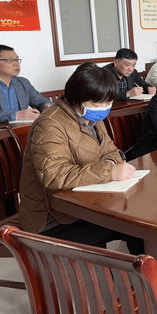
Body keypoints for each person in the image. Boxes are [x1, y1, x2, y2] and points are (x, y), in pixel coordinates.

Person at [19, 62, 143, 254]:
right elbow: (55, 176)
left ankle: (144, 271)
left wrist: (111, 163)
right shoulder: (50, 125)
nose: (104, 109)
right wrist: (109, 171)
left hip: (85, 204)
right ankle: (141, 272)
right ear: (76, 98)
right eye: (97, 104)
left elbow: (111, 151)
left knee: (138, 215)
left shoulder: (92, 118)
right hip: (54, 219)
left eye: (108, 103)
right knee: (135, 226)